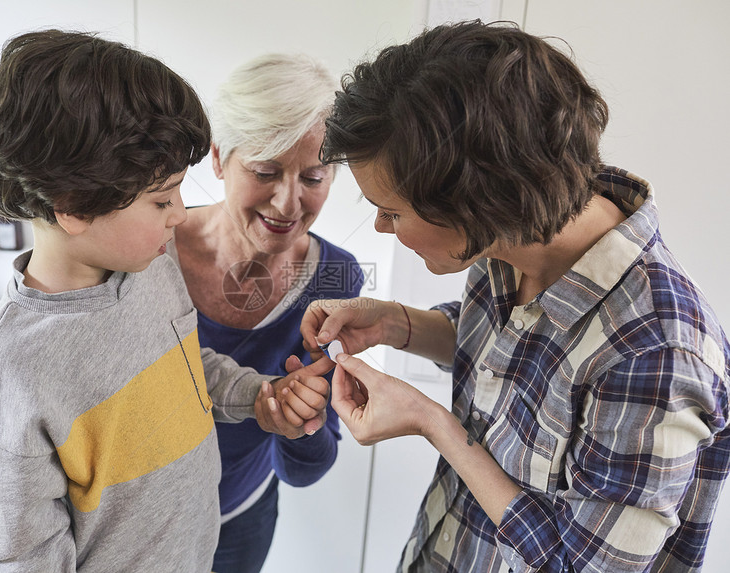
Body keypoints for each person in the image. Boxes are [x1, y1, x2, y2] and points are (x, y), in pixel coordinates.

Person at [301, 20, 730, 572]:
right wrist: (394, 324)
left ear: (477, 203)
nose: (383, 229)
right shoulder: (512, 237)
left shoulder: (658, 356)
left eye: (392, 212)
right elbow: (517, 354)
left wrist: (434, 423)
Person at [0, 30, 331, 572]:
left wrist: (257, 395)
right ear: (75, 207)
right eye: (162, 199)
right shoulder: (15, 372)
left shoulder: (151, 267)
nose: (180, 214)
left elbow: (188, 366)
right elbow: (27, 555)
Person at [171, 53, 363, 572]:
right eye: (265, 171)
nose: (287, 204)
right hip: (137, 519)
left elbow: (305, 471)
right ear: (217, 158)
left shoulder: (336, 280)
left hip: (241, 515)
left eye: (314, 177)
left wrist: (300, 422)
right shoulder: (148, 251)